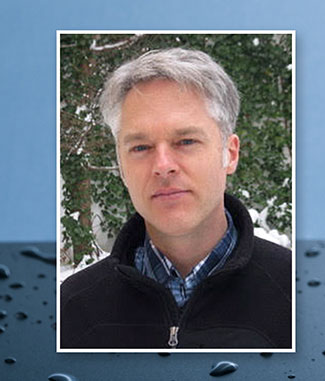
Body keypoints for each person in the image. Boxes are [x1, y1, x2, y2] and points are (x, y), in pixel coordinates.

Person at [60, 48, 292, 349]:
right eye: (141, 147)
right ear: (121, 165)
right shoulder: (74, 310)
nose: (163, 165)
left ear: (230, 154)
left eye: (186, 141)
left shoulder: (299, 296)